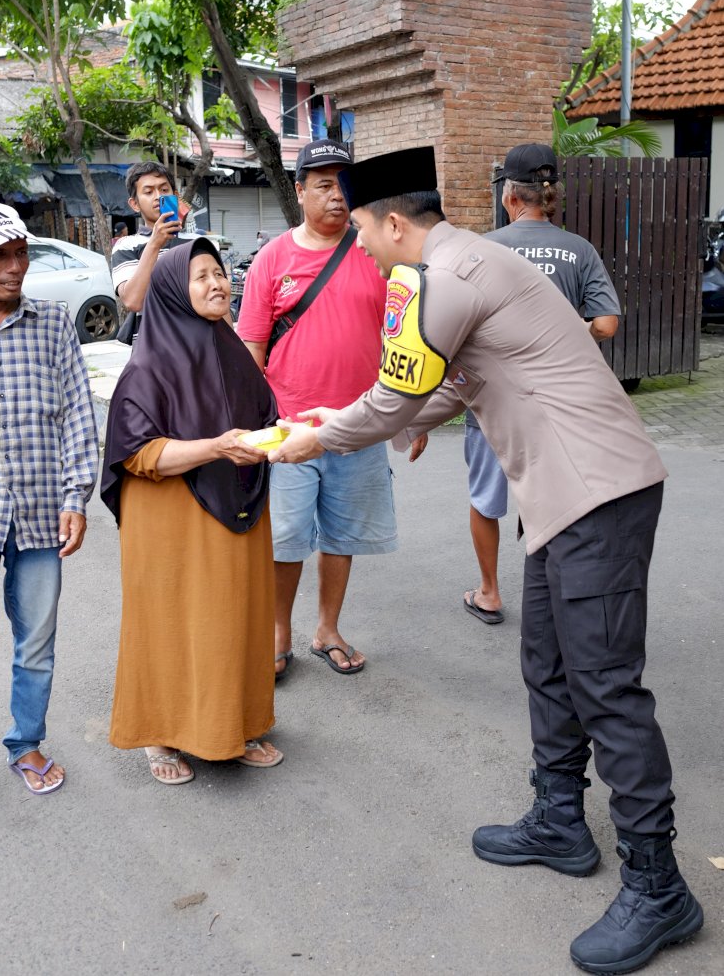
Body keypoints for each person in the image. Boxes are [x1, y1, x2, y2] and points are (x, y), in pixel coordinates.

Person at [269, 148, 703, 975]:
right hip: (562, 498)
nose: (356, 244)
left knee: (606, 683)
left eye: (361, 228)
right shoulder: (467, 259)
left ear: (393, 222)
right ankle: (560, 820)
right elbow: (448, 387)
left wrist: (321, 435)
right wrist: (344, 417)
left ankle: (660, 885)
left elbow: (398, 397)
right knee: (546, 661)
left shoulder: (448, 275)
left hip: (596, 494)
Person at [101, 237, 282, 784]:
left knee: (235, 616)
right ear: (173, 291)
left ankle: (235, 724)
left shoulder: (230, 349)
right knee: (172, 621)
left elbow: (263, 417)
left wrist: (290, 435)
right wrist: (215, 448)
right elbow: (137, 452)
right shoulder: (148, 365)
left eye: (219, 272)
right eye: (200, 276)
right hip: (171, 516)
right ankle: (160, 735)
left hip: (238, 502)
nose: (217, 284)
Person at [237, 138, 407, 679]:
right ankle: (277, 631)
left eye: (343, 184)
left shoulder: (371, 251)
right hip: (286, 428)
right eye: (324, 185)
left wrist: (410, 418)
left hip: (357, 425)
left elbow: (398, 335)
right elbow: (251, 349)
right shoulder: (272, 258)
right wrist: (250, 423)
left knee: (342, 533)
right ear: (300, 190)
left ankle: (328, 628)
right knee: (285, 538)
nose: (337, 196)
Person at [460, 144, 621, 626]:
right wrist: (579, 332)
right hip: (560, 406)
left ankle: (489, 592)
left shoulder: (482, 250)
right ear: (552, 199)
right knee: (556, 497)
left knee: (485, 500)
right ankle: (554, 596)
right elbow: (607, 324)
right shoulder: (580, 250)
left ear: (510, 197)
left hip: (492, 403)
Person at [0, 201, 98, 795]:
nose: (14, 266)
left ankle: (25, 743)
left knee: (37, 643)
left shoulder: (52, 323)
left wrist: (76, 496)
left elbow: (78, 414)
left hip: (41, 513)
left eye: (19, 252)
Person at [111, 162, 189, 315]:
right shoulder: (126, 246)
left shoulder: (197, 242)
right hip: (151, 337)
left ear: (176, 196)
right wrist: (154, 243)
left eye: (164, 190)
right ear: (135, 204)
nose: (158, 197)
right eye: (148, 192)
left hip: (196, 337)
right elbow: (133, 301)